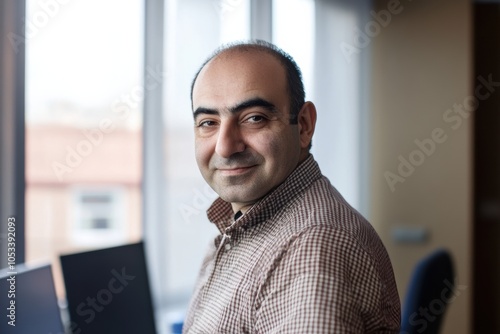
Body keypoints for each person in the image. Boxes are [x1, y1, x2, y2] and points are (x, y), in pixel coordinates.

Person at [183, 40, 400, 333]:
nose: (224, 146)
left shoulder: (311, 248)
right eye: (208, 123)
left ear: (304, 125)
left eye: (254, 118)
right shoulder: (244, 226)